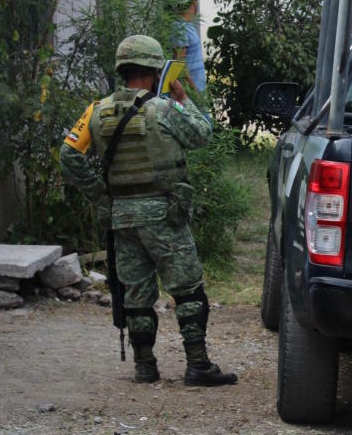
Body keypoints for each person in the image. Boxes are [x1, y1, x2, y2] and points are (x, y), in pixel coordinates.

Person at [60, 35, 236, 387]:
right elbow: (202, 134)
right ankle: (198, 365)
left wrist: (101, 197)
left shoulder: (96, 110)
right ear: (157, 73)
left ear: (123, 71)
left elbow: (68, 156)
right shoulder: (164, 109)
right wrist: (184, 100)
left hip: (122, 216)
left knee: (136, 293)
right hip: (164, 214)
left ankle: (145, 366)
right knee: (187, 288)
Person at [174, 0, 207, 92]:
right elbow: (180, 62)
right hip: (192, 92)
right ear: (193, 3)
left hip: (198, 88)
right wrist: (194, 89)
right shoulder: (179, 27)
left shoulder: (187, 25)